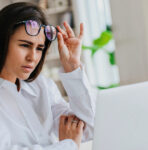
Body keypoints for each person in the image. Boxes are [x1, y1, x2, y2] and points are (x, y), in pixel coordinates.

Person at [0, 2, 95, 150]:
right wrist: (69, 145)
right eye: (25, 45)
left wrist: (72, 68)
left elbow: (88, 129)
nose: (33, 57)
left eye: (39, 48)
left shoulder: (42, 86)